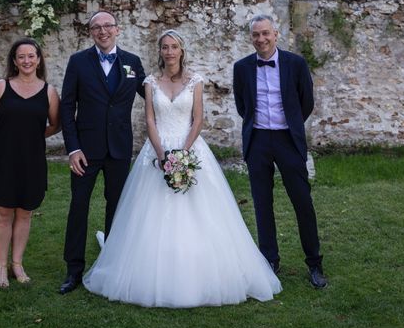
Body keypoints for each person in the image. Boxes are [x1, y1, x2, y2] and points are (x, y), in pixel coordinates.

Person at [83, 30, 281, 307]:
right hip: (157, 150)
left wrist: (184, 154)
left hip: (191, 148)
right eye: (164, 47)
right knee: (147, 213)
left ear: (181, 50)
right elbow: (149, 120)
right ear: (160, 51)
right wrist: (163, 155)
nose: (169, 52)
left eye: (174, 46)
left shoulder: (195, 81)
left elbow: (198, 119)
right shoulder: (150, 82)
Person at [233, 14, 327, 288]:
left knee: (302, 202)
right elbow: (242, 106)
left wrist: (292, 125)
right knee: (262, 204)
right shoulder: (241, 67)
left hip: (288, 140)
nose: (261, 39)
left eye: (265, 33)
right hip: (258, 141)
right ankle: (269, 261)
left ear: (275, 34)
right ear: (251, 38)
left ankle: (314, 264)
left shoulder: (295, 64)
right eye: (255, 35)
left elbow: (305, 102)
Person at [59, 10, 146, 294]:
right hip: (86, 150)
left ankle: (113, 266)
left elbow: (153, 94)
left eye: (108, 25)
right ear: (90, 32)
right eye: (96, 27)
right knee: (79, 207)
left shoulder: (132, 62)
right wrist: (73, 148)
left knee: (117, 207)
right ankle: (74, 270)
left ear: (117, 29)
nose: (103, 31)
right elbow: (66, 107)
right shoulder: (77, 62)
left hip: (119, 147)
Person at [0, 37, 61, 288]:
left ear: (38, 59)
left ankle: (17, 264)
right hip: (2, 157)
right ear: (14, 61)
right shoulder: (1, 86)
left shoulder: (49, 92)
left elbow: (55, 125)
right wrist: (0, 135)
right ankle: (1, 268)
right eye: (21, 56)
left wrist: (32, 136)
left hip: (31, 158)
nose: (26, 60)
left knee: (25, 213)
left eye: (31, 56)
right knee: (3, 213)